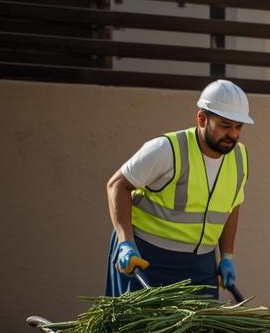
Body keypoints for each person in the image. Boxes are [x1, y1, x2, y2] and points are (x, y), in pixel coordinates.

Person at [106, 80, 251, 296]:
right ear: (202, 119)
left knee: (203, 330)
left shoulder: (239, 157)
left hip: (201, 267)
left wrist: (227, 256)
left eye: (238, 127)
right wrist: (125, 242)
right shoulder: (167, 149)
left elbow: (232, 206)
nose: (233, 134)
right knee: (141, 330)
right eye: (224, 125)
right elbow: (117, 185)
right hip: (148, 260)